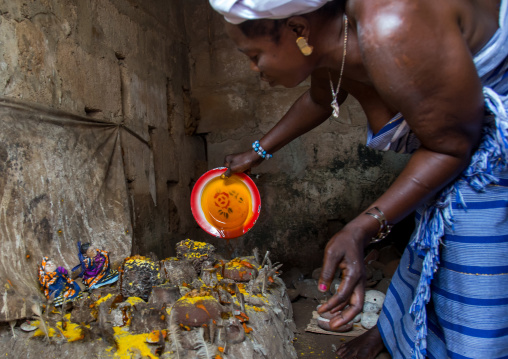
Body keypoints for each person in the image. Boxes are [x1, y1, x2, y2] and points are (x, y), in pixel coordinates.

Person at [208, 0, 508, 358]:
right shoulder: (331, 43)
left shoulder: (390, 26)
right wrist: (258, 151)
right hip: (450, 146)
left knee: (472, 287)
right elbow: (321, 100)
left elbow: (450, 150)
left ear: (298, 30)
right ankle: (394, 330)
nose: (255, 68)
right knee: (429, 243)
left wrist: (361, 228)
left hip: (488, 157)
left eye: (254, 54)